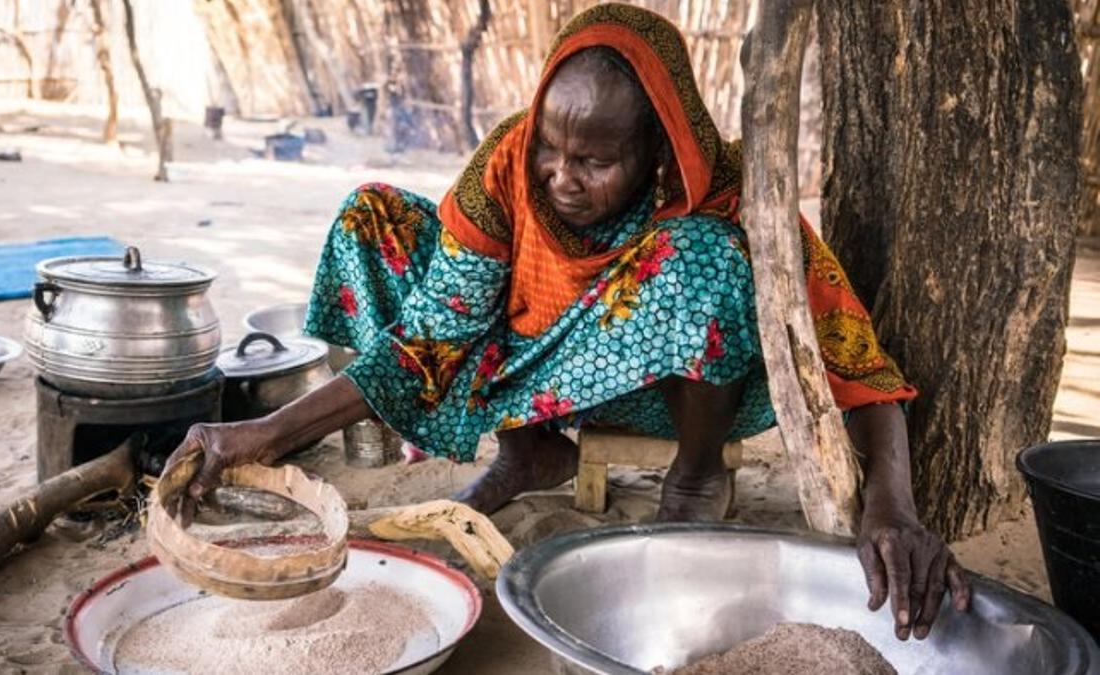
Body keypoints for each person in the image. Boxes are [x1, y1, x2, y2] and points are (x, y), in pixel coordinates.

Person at [165, 3, 969, 641]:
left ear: (656, 155)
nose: (559, 176)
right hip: (521, 358)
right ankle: (531, 450)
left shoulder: (722, 187)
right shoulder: (511, 164)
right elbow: (434, 338)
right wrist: (267, 432)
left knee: (707, 259)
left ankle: (694, 473)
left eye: (592, 161)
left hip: (660, 390)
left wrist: (891, 507)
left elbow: (856, 360)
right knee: (372, 215)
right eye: (552, 147)